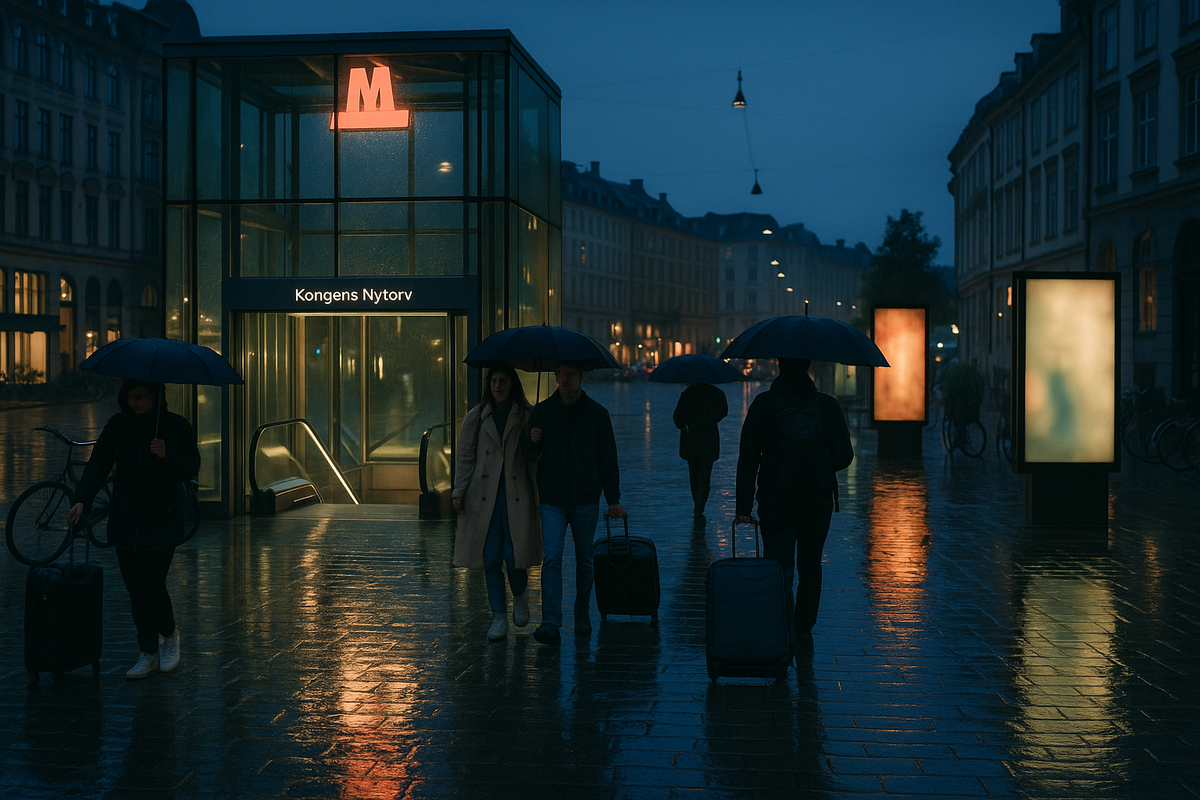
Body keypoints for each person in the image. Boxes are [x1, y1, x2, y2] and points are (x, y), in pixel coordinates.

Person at [67, 380, 200, 679]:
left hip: (162, 518)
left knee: (151, 583)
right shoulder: (118, 425)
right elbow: (98, 464)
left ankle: (168, 635)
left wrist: (168, 455)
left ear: (156, 395)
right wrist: (81, 501)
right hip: (126, 518)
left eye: (141, 397)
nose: (135, 403)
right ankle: (147, 650)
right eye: (130, 397)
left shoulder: (176, 426)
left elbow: (192, 467)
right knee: (135, 588)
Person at [734, 358, 852, 651]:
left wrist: (743, 507)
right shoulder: (827, 405)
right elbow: (845, 456)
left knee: (779, 565)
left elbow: (747, 458)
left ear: (778, 365)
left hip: (776, 499)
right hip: (818, 499)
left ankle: (782, 625)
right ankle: (802, 628)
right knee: (811, 565)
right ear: (810, 366)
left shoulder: (764, 404)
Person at [523, 361, 625, 646]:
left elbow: (608, 457)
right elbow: (529, 454)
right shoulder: (542, 411)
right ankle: (551, 621)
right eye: (561, 375)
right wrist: (531, 440)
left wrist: (613, 499)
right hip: (553, 498)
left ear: (581, 377)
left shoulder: (597, 414)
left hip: (584, 498)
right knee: (552, 558)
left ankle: (581, 613)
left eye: (570, 375)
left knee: (585, 561)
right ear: (555, 377)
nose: (565, 380)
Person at [452, 362, 542, 642]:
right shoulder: (476, 417)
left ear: (512, 384)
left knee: (515, 557)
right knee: (490, 557)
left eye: (503, 381)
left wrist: (536, 440)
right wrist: (459, 490)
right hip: (484, 497)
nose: (498, 386)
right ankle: (499, 617)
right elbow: (465, 456)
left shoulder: (527, 415)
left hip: (516, 495)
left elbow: (534, 458)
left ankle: (521, 595)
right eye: (493, 381)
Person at [671, 381, 728, 529]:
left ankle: (697, 504)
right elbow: (723, 412)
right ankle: (700, 506)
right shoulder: (717, 394)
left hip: (691, 440)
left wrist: (688, 422)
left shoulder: (688, 394)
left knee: (694, 474)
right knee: (705, 474)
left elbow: (677, 419)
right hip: (709, 440)